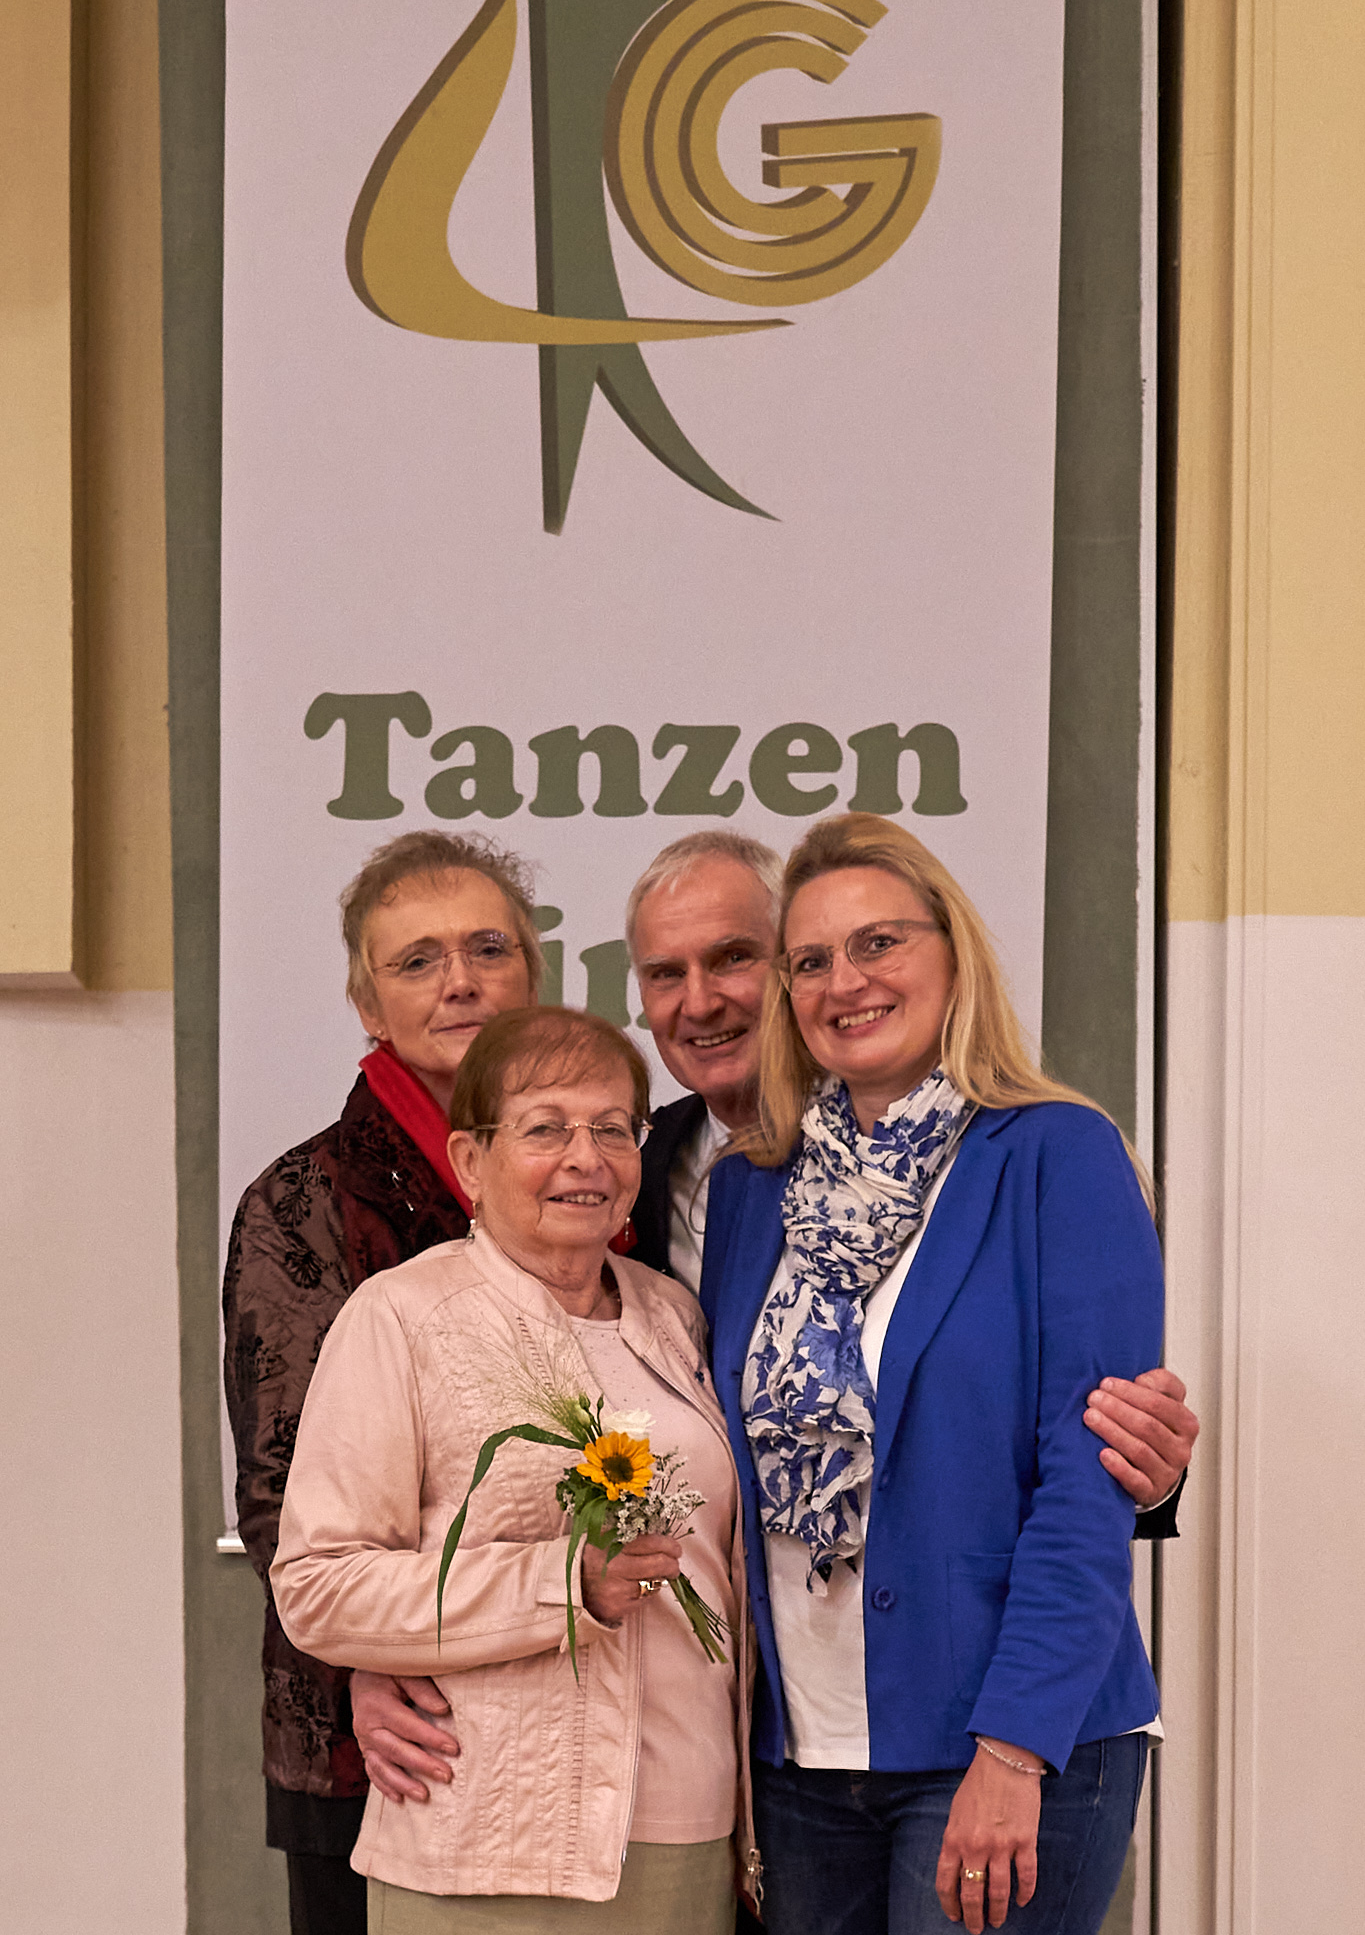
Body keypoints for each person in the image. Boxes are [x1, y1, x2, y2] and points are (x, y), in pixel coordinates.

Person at [699, 814, 1167, 1935]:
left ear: (953, 954)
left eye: (880, 943)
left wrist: (1013, 1748)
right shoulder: (749, 1189)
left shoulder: (1057, 1154)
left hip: (1005, 1738)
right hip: (798, 1755)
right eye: (810, 960)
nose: (845, 981)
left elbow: (1089, 1477)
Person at [271, 1007, 753, 1932]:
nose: (586, 1158)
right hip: (488, 1833)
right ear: (469, 1161)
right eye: (545, 1129)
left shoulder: (674, 1315)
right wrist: (558, 1584)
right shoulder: (403, 1317)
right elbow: (320, 1587)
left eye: (612, 1128)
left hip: (688, 1824)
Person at [625, 829, 1197, 1527]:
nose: (700, 1001)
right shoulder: (639, 1168)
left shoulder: (1036, 1151)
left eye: (733, 957)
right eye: (665, 973)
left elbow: (1086, 1427)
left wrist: (1138, 1481)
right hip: (748, 1589)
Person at [223, 830, 543, 1934]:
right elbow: (278, 1492)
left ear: (532, 973)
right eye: (417, 960)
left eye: (488, 948)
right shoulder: (302, 1198)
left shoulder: (602, 1176)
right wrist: (369, 1662)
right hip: (383, 1732)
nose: (460, 980)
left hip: (576, 1717)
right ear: (369, 1004)